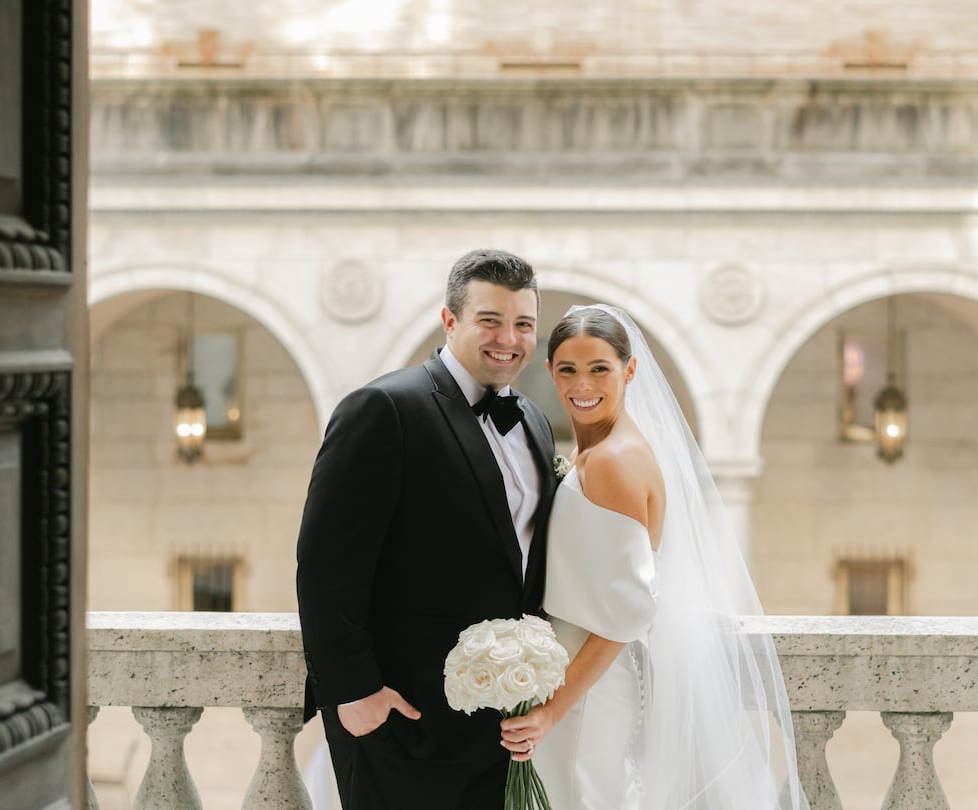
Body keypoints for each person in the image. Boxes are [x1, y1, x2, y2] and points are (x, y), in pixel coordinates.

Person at [499, 305, 806, 809]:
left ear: (629, 370)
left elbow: (627, 614)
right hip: (583, 680)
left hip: (589, 692)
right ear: (550, 371)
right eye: (569, 370)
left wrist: (552, 711)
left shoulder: (614, 461)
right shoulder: (603, 450)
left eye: (600, 368)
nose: (583, 385)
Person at [296, 249, 559, 810]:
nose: (507, 338)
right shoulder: (383, 408)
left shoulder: (534, 420)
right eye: (489, 320)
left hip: (503, 729)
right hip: (402, 723)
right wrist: (354, 694)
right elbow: (325, 569)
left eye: (523, 324)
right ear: (450, 321)